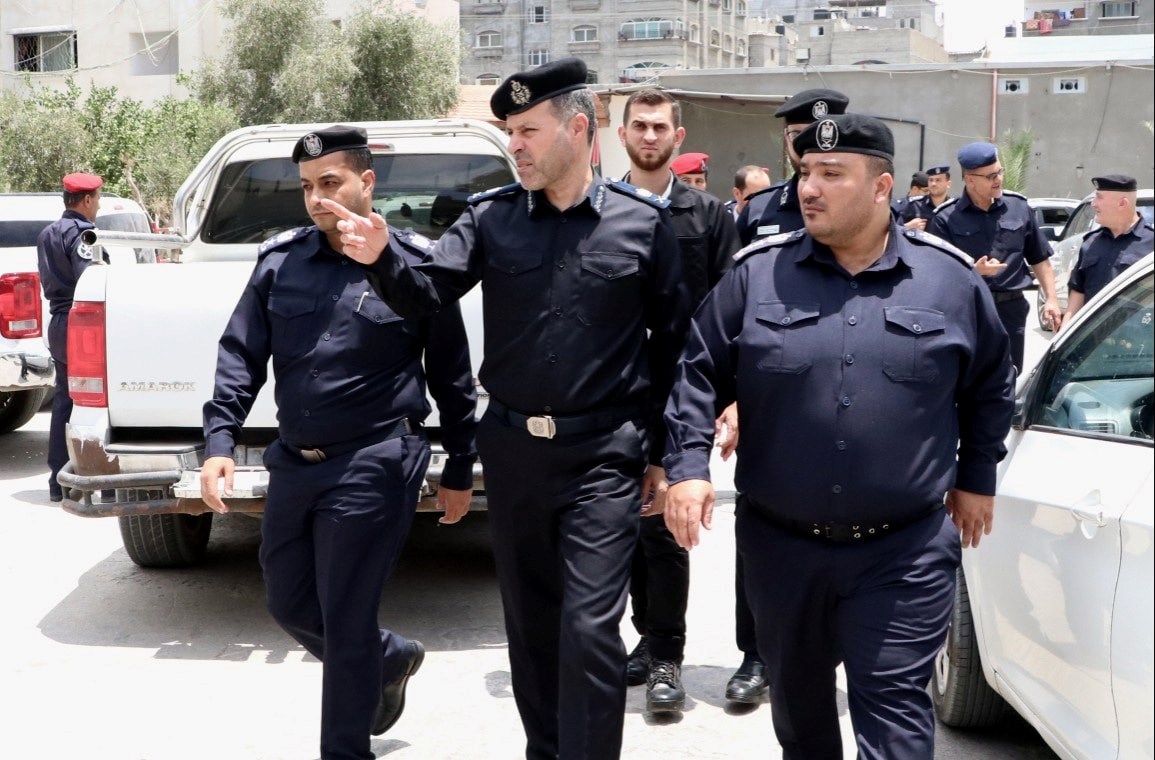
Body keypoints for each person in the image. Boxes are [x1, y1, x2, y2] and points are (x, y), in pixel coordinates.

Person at [324, 58, 691, 760]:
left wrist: (667, 457)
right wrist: (381, 258)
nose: (514, 145)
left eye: (527, 131)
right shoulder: (490, 219)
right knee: (532, 631)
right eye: (509, 132)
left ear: (577, 129)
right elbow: (427, 292)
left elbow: (675, 346)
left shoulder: (643, 225)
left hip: (603, 455)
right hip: (517, 453)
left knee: (589, 630)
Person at [660, 113, 1016, 759]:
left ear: (881, 186)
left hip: (903, 551)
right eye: (805, 173)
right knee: (801, 721)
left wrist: (976, 479)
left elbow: (991, 386)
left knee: (895, 719)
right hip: (781, 550)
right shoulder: (757, 274)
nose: (809, 188)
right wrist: (687, 468)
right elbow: (697, 371)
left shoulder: (948, 280)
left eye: (831, 173)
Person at [198, 126, 478, 760]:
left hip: (377, 459)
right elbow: (241, 355)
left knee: (346, 614)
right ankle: (388, 656)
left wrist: (460, 465)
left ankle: (346, 749)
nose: (316, 198)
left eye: (330, 182)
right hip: (296, 462)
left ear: (366, 182)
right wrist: (219, 442)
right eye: (306, 186)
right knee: (288, 602)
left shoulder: (414, 266)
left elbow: (452, 375)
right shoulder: (281, 262)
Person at [616, 88, 741, 713]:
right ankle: (644, 636)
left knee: (666, 524)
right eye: (639, 125)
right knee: (622, 524)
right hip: (610, 392)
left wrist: (729, 397)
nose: (649, 135)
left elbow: (728, 312)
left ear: (677, 137)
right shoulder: (598, 208)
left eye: (659, 127)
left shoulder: (710, 216)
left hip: (680, 391)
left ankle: (666, 653)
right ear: (622, 135)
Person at [929, 142, 1062, 371]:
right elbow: (936, 274)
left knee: (1010, 374)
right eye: (991, 176)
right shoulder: (945, 218)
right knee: (968, 376)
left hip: (1010, 310)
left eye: (1000, 172)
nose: (998, 179)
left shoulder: (1019, 207)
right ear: (970, 180)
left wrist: (1051, 298)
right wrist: (973, 271)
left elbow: (1039, 257)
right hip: (967, 310)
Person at [36, 172, 107, 502]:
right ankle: (106, 481)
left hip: (58, 323)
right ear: (87, 200)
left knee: (64, 399)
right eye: (98, 199)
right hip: (82, 323)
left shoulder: (47, 234)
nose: (99, 205)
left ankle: (58, 480)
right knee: (99, 401)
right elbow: (91, 280)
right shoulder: (84, 235)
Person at [736, 88, 850, 246]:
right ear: (786, 138)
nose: (807, 144)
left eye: (820, 135)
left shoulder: (864, 206)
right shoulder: (759, 208)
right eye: (798, 135)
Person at [1063, 174, 1155, 323]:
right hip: (1095, 335)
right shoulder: (1090, 243)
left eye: (1099, 197)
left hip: (1136, 334)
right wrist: (1065, 330)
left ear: (1122, 203)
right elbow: (1077, 294)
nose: (1093, 204)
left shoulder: (1151, 243)